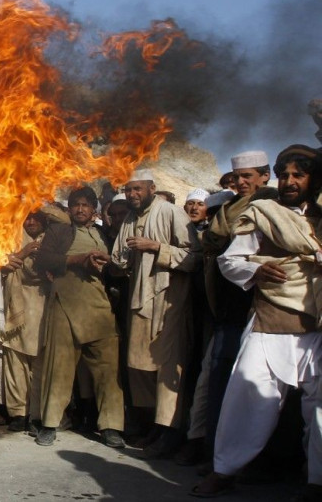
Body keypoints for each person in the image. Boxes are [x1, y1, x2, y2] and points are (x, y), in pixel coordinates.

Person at [192, 145, 322, 499]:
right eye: (286, 175)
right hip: (271, 319)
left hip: (317, 324)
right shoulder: (264, 213)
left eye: (299, 175)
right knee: (247, 400)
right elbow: (230, 261)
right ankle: (224, 471)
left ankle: (316, 480)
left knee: (320, 412)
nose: (291, 182)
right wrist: (256, 268)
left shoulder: (320, 217)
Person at [111, 169, 201, 458]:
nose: (133, 195)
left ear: (151, 188)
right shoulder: (129, 219)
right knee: (139, 364)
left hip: (168, 298)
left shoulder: (172, 212)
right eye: (128, 190)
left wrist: (156, 247)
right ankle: (154, 425)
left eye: (138, 189)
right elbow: (119, 259)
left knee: (167, 364)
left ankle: (171, 430)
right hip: (139, 300)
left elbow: (193, 258)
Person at [35, 187, 125, 448]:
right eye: (76, 204)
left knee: (108, 369)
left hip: (98, 307)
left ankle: (111, 427)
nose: (80, 209)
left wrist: (106, 262)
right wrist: (79, 259)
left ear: (94, 209)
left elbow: (118, 267)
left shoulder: (103, 233)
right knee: (59, 367)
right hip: (65, 304)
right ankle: (50, 424)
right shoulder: (59, 231)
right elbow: (43, 260)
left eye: (86, 205)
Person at [0, 211, 48, 432]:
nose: (31, 222)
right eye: (27, 217)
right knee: (14, 361)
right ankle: (18, 413)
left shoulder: (53, 238)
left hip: (41, 304)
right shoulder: (10, 236)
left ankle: (38, 413)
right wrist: (22, 252)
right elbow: (0, 264)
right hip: (15, 305)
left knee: (40, 363)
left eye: (36, 217)